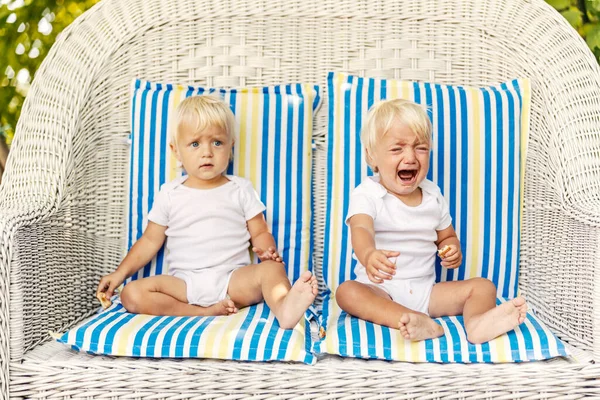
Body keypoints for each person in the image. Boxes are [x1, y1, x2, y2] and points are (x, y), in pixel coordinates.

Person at [96, 95, 318, 329]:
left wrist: (266, 250)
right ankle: (197, 312)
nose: (207, 152)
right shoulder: (170, 193)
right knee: (132, 294)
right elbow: (150, 241)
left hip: (233, 279)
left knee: (272, 270)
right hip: (184, 284)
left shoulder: (240, 189)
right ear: (176, 150)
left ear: (230, 145)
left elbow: (260, 231)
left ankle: (284, 307)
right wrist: (119, 274)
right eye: (195, 144)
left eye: (217, 143)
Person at [335, 98, 528, 344]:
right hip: (381, 290)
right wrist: (369, 254)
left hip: (427, 292)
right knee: (347, 292)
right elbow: (361, 227)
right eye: (397, 149)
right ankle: (412, 319)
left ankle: (478, 323)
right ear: (372, 157)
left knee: (483, 287)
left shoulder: (432, 195)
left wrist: (452, 249)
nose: (411, 157)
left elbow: (446, 235)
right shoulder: (367, 193)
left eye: (421, 148)